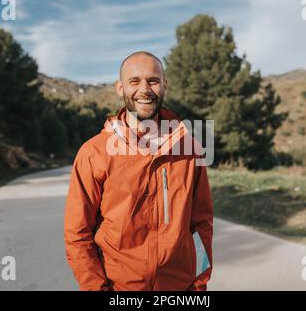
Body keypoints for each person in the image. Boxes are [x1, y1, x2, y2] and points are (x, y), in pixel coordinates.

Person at [64, 51, 213, 291]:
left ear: (164, 86)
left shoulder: (190, 149)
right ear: (120, 88)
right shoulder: (94, 153)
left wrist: (198, 284)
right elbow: (78, 234)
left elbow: (201, 225)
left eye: (153, 80)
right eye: (134, 81)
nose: (144, 89)